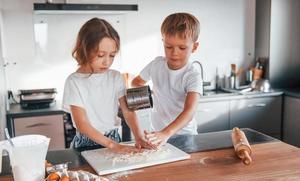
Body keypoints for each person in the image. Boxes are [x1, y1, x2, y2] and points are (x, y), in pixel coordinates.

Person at [63, 18, 152, 153]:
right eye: (100, 55)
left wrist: (139, 136)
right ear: (85, 49)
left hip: (114, 138)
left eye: (112, 55)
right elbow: (82, 124)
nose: (107, 62)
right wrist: (113, 146)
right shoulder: (74, 81)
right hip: (85, 143)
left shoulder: (115, 77)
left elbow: (128, 111)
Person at [131, 13, 202, 148]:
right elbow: (136, 82)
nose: (174, 53)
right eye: (168, 47)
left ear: (194, 47)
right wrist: (148, 96)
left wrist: (166, 133)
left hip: (185, 136)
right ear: (163, 42)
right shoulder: (156, 64)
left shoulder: (192, 75)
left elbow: (189, 112)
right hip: (157, 133)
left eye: (182, 48)